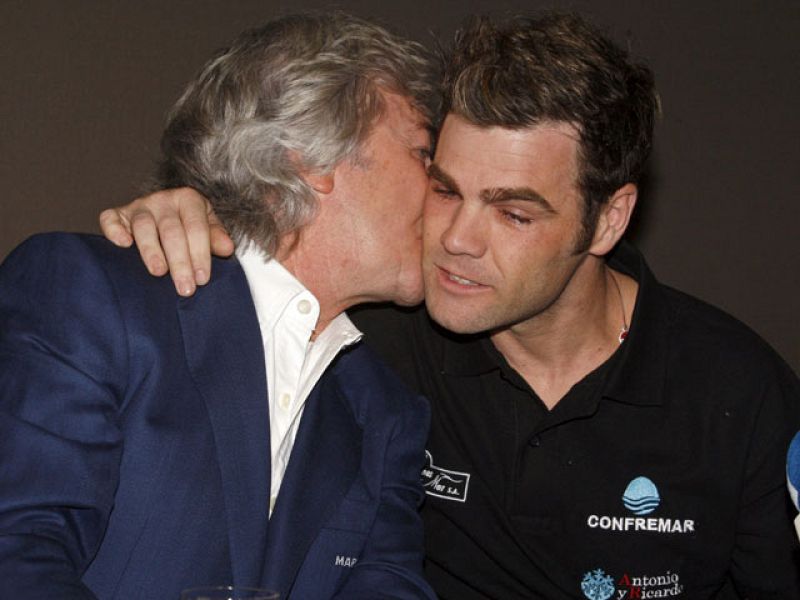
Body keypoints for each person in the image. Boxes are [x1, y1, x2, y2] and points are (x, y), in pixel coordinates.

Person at [101, 12, 800, 599]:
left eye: (514, 213)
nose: (457, 241)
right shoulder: (368, 343)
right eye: (445, 190)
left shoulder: (737, 394)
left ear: (608, 221)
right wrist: (198, 216)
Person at [0, 13, 439, 600]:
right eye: (422, 154)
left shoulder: (383, 409)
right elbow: (16, 548)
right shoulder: (93, 298)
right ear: (312, 161)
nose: (442, 190)